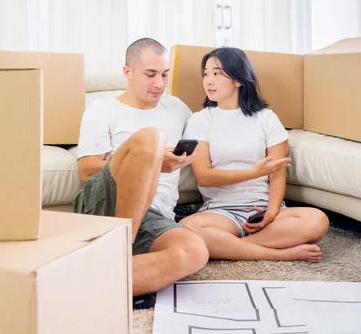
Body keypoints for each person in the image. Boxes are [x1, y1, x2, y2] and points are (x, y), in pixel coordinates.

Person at [75, 38, 209, 306]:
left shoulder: (177, 108)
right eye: (150, 74)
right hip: (104, 206)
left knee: (195, 251)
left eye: (164, 75)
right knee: (151, 139)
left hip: (154, 214)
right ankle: (120, 249)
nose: (159, 83)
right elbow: (87, 169)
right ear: (128, 72)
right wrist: (153, 160)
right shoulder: (102, 109)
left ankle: (88, 281)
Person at [180, 47, 329, 262]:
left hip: (262, 207)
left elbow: (277, 174)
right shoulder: (200, 120)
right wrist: (253, 172)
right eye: (205, 74)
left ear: (238, 79)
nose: (208, 81)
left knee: (317, 220)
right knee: (187, 228)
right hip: (221, 212)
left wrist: (271, 213)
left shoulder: (266, 118)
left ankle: (230, 247)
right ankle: (280, 254)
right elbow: (204, 176)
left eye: (217, 73)